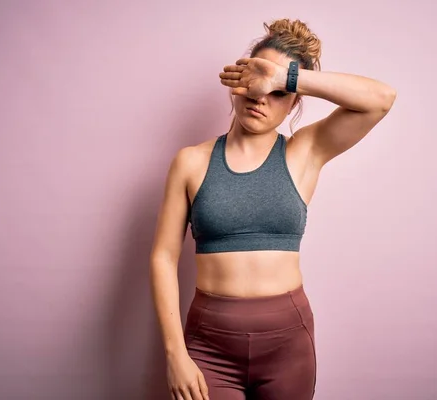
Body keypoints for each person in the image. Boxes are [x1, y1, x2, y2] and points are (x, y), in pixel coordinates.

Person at [150, 18, 397, 400]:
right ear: (236, 81)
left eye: (278, 92)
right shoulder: (191, 162)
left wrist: (287, 76)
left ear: (294, 101)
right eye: (253, 80)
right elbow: (164, 257)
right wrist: (174, 354)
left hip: (288, 347)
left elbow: (381, 99)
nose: (260, 97)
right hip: (209, 347)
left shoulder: (304, 152)